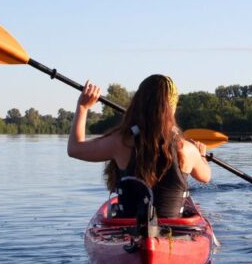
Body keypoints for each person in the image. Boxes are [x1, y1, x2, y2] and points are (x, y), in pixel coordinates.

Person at [67, 74, 211, 218]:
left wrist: (83, 107)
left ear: (138, 103)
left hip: (127, 231)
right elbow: (206, 177)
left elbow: (74, 149)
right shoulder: (186, 149)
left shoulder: (120, 142)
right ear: (172, 108)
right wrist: (201, 155)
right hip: (173, 234)